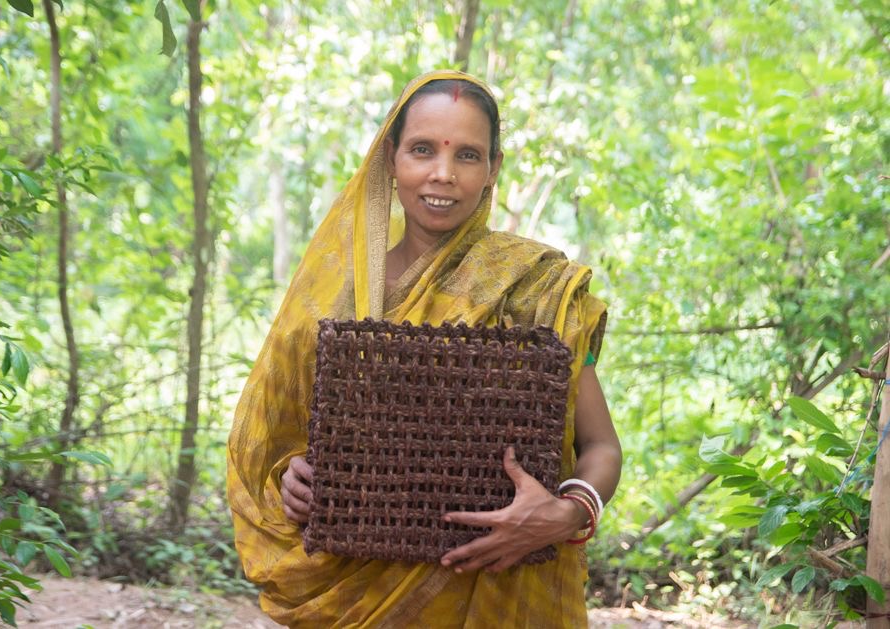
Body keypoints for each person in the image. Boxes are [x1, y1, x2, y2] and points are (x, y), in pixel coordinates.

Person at [226, 69, 622, 627]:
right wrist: (292, 477)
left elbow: (601, 446)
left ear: (493, 170)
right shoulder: (335, 297)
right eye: (422, 150)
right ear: (390, 159)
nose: (443, 174)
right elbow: (283, 439)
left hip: (502, 592)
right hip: (358, 590)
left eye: (467, 155)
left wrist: (566, 513)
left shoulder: (536, 289)